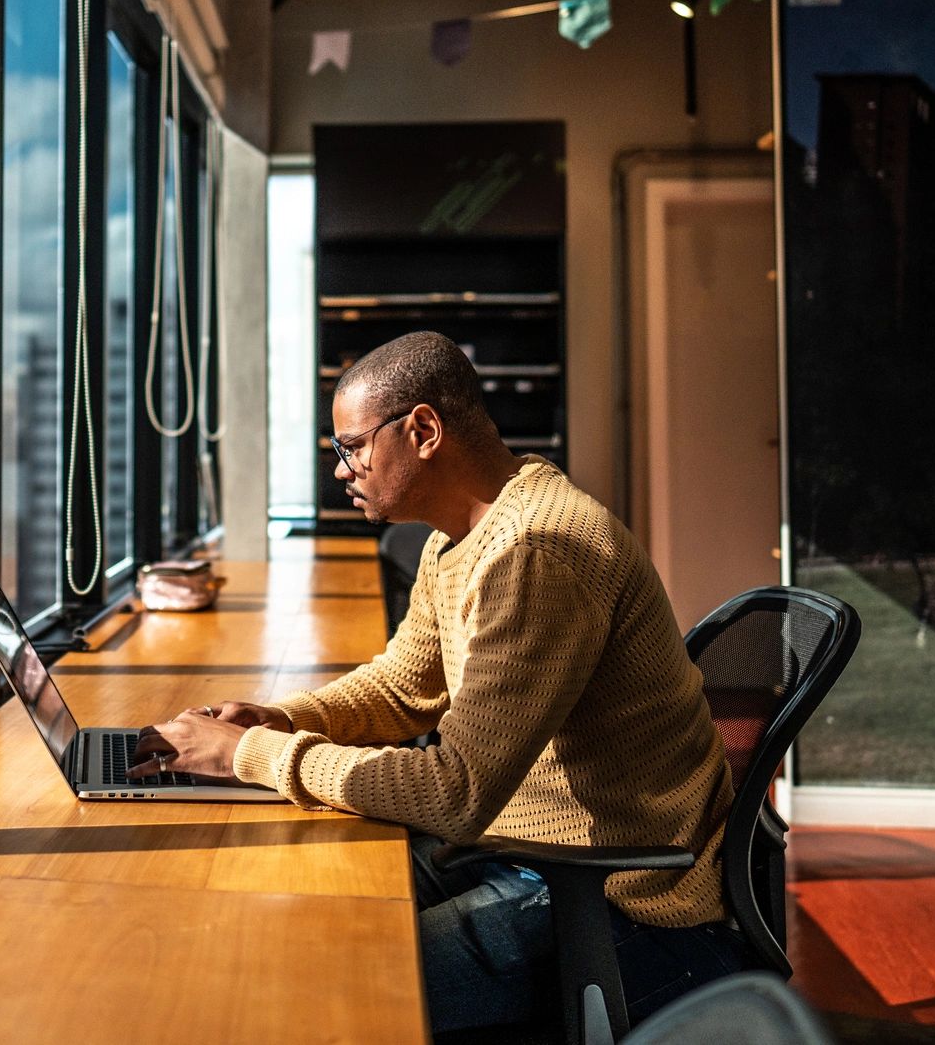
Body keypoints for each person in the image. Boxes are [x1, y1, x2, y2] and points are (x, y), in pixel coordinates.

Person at [130, 331, 744, 1034]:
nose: (340, 471)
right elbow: (401, 688)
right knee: (284, 914)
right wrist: (278, 719)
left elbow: (456, 792)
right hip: (515, 849)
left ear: (422, 430)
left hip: (612, 899)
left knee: (312, 993)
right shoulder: (458, 539)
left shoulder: (536, 551)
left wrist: (246, 758)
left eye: (350, 448)